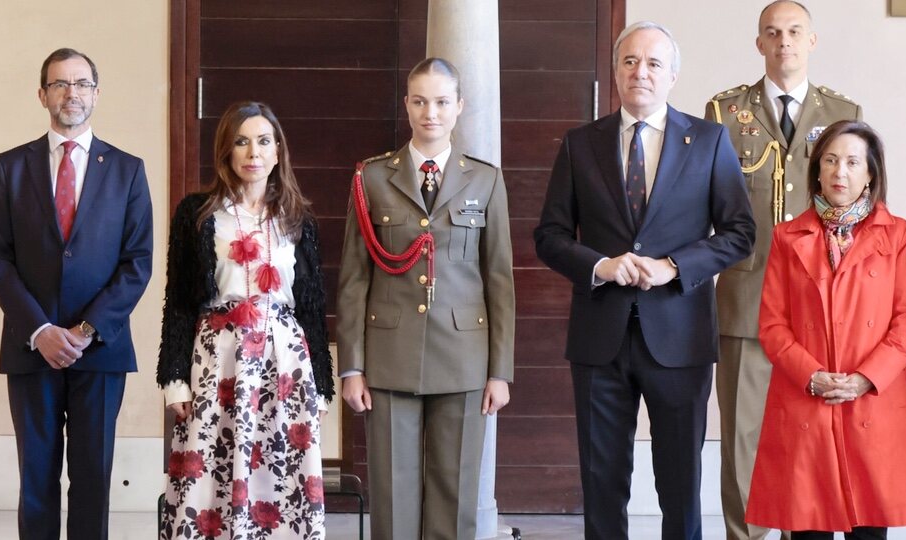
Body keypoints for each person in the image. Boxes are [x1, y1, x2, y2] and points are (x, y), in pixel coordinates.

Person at [534, 22, 755, 540]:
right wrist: (599, 265)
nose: (641, 72)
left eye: (654, 63)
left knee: (679, 483)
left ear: (673, 75)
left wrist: (674, 267)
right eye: (630, 61)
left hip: (680, 337)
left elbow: (740, 233)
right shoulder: (579, 144)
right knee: (602, 479)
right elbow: (549, 235)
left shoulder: (708, 140)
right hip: (599, 338)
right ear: (615, 72)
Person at [337, 57, 515, 540]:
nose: (429, 112)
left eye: (440, 101)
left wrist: (500, 370)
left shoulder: (485, 179)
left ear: (458, 107)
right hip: (390, 358)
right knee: (393, 499)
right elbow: (354, 279)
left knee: (454, 493)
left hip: (463, 359)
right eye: (419, 101)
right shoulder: (372, 178)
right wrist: (351, 366)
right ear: (407, 106)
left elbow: (499, 279)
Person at [704, 3, 863, 538]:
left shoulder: (843, 111)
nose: (784, 42)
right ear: (759, 44)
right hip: (746, 301)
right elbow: (706, 205)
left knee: (810, 440)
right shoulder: (725, 113)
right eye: (772, 33)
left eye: (795, 32)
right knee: (745, 441)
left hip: (821, 307)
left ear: (812, 40)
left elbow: (859, 210)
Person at [0, 48, 153, 540]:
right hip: (30, 347)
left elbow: (137, 262)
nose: (70, 94)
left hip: (100, 350)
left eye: (81, 84)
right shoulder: (9, 168)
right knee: (35, 478)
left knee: (93, 478)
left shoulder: (127, 170)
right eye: (59, 84)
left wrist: (83, 331)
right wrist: (39, 330)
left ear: (96, 94)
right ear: (42, 95)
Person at [157, 101, 334, 539]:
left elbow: (312, 307)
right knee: (209, 476)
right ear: (226, 153)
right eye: (241, 141)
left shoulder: (298, 219)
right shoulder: (197, 215)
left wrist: (322, 386)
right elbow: (178, 301)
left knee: (278, 477)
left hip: (284, 366)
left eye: (263, 141)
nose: (253, 152)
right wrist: (174, 379)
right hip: (219, 363)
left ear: (277, 152)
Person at [745, 120, 906, 539]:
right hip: (807, 396)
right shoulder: (787, 237)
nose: (839, 172)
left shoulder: (897, 235)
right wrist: (810, 375)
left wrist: (866, 378)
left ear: (870, 174)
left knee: (868, 526)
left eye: (851, 162)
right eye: (829, 160)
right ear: (817, 170)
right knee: (808, 525)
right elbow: (773, 324)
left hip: (873, 400)